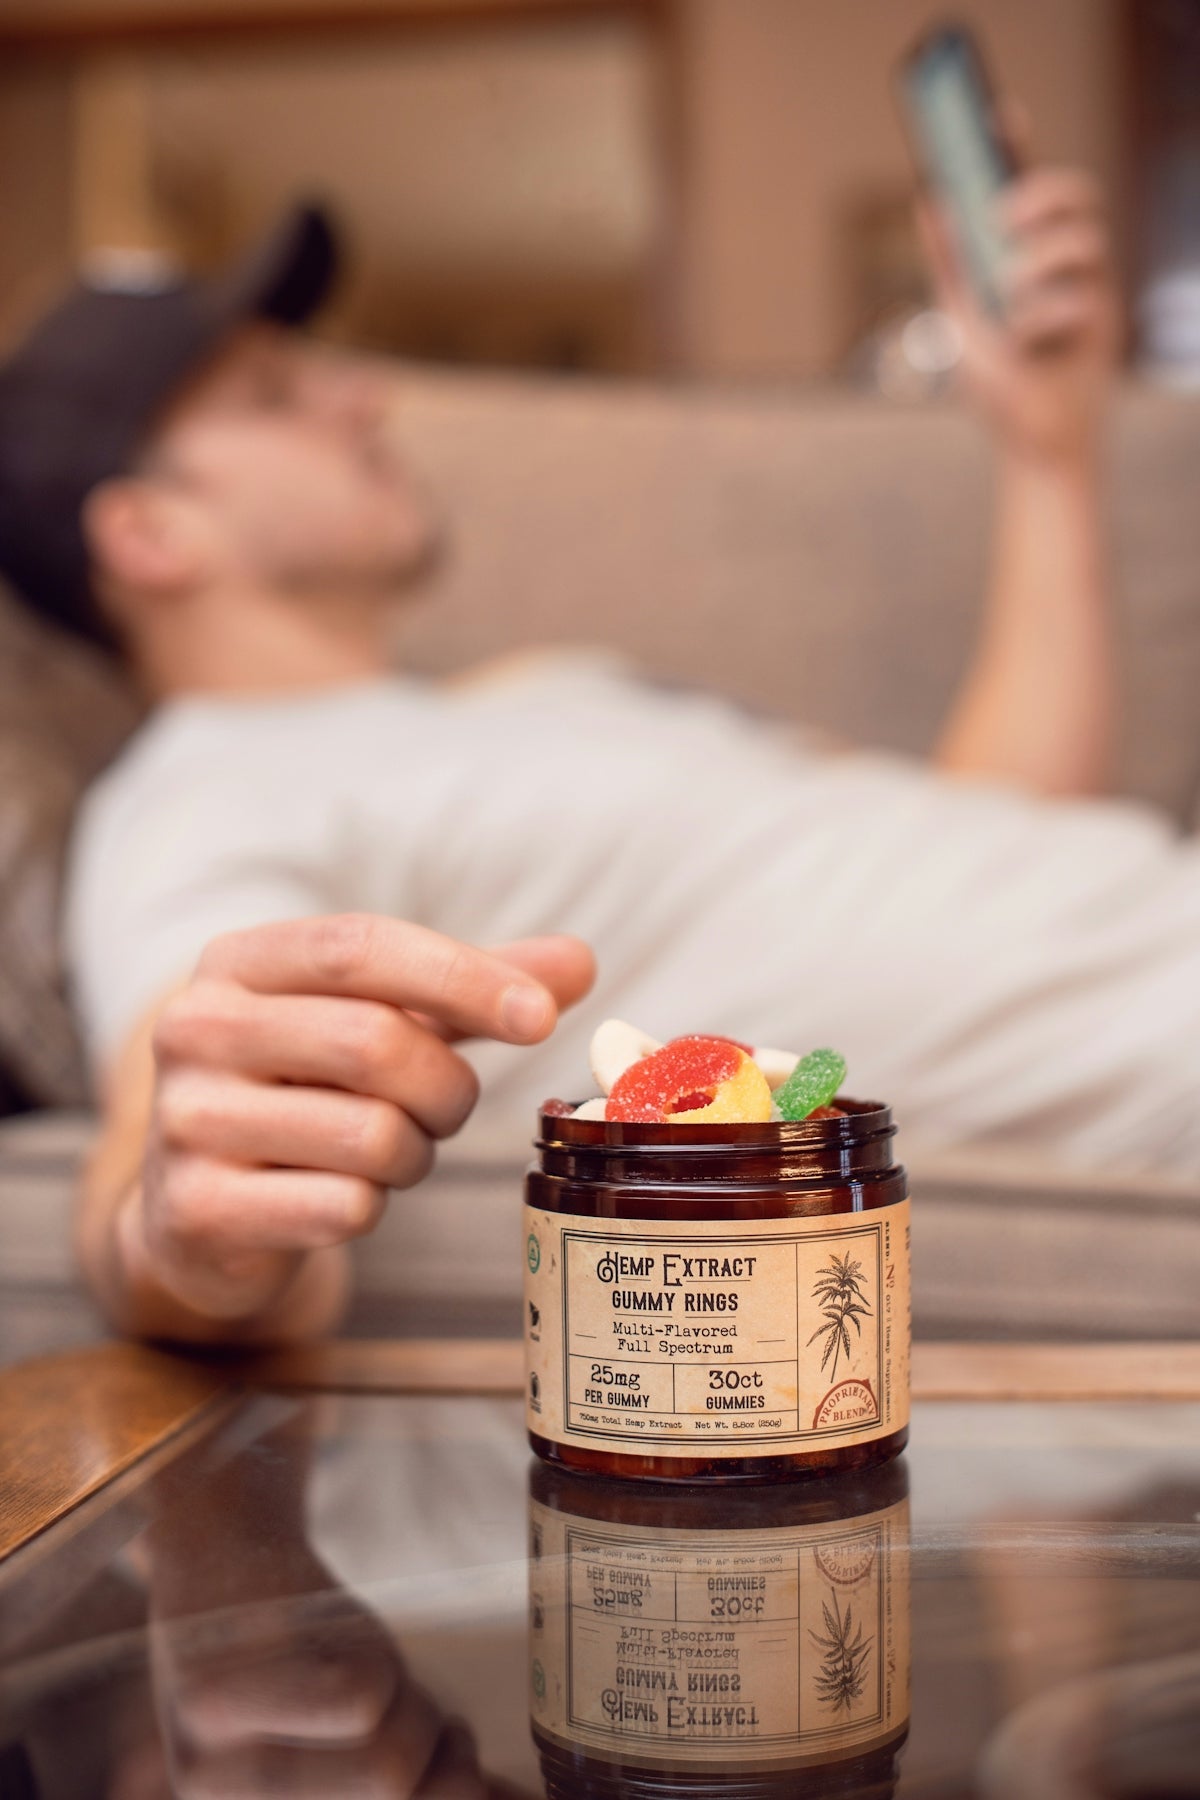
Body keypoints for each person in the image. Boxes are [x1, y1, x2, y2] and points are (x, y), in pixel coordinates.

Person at [1, 161, 1191, 1355]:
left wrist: (1050, 453)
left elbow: (988, 837)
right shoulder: (200, 790)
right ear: (146, 531)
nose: (362, 395)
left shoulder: (546, 689)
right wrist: (189, 1236)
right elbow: (173, 1172)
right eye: (273, 395)